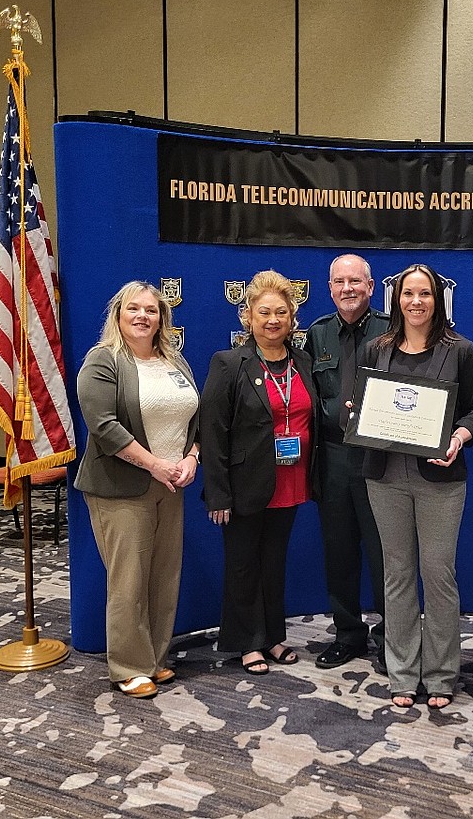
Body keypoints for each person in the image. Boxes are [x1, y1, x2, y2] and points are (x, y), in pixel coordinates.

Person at [360, 263, 473, 710]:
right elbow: (356, 408)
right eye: (409, 293)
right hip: (385, 477)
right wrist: (361, 415)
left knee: (438, 575)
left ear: (438, 300)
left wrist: (458, 436)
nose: (416, 302)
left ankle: (439, 675)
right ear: (397, 299)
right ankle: (402, 674)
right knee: (396, 575)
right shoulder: (376, 349)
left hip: (441, 480)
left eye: (426, 294)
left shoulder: (460, 350)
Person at [75, 281, 200, 699]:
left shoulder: (175, 360)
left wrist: (191, 458)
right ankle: (128, 666)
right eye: (134, 308)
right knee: (129, 580)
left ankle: (155, 659)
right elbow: (104, 426)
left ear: (162, 318)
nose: (143, 316)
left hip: (172, 482)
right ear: (118, 314)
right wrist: (155, 465)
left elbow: (193, 421)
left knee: (164, 577)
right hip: (123, 487)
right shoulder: (104, 360)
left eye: (152, 309)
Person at [200, 270, 318, 675]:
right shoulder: (229, 363)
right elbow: (212, 431)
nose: (272, 320)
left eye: (281, 313)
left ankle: (273, 636)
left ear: (292, 318)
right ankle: (246, 642)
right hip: (245, 484)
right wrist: (217, 493)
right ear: (247, 316)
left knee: (273, 562)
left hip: (290, 479)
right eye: (263, 312)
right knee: (243, 563)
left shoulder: (303, 361)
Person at [305, 254, 390, 674]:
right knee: (339, 552)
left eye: (356, 281)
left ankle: (394, 638)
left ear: (371, 287)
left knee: (385, 555)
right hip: (334, 458)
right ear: (330, 288)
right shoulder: (318, 334)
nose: (348, 289)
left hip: (381, 460)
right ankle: (347, 634)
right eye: (339, 282)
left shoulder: (392, 330)